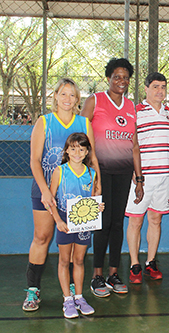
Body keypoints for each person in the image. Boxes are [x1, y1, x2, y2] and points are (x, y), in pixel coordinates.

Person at [23, 78, 100, 312]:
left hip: (77, 197)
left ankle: (75, 296)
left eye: (72, 95)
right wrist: (46, 192)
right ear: (55, 96)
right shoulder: (44, 122)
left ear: (78, 99)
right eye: (63, 94)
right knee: (42, 237)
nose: (67, 99)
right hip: (46, 192)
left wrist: (97, 189)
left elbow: (93, 159)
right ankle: (33, 290)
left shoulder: (83, 123)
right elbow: (35, 161)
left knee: (76, 249)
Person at [81, 58, 144, 297]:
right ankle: (97, 276)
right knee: (102, 223)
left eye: (126, 77)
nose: (121, 81)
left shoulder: (130, 107)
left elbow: (135, 146)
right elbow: (81, 137)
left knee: (118, 223)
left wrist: (139, 179)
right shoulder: (94, 101)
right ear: (108, 78)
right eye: (117, 76)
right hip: (99, 172)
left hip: (124, 172)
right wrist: (88, 171)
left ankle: (113, 274)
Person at [48, 133, 104, 318]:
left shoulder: (91, 173)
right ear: (67, 151)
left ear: (87, 151)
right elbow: (51, 199)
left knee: (79, 260)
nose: (77, 152)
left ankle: (79, 297)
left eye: (81, 149)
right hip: (64, 219)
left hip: (83, 222)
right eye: (73, 148)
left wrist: (98, 206)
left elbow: (94, 198)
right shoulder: (60, 171)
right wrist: (58, 220)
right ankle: (67, 300)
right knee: (64, 260)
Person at [125, 72, 169, 284]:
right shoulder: (136, 112)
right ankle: (134, 264)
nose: (159, 91)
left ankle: (150, 262)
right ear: (146, 88)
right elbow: (131, 146)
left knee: (156, 219)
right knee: (136, 221)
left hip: (163, 177)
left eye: (163, 87)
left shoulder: (168, 112)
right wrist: (138, 176)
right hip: (141, 179)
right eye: (155, 87)